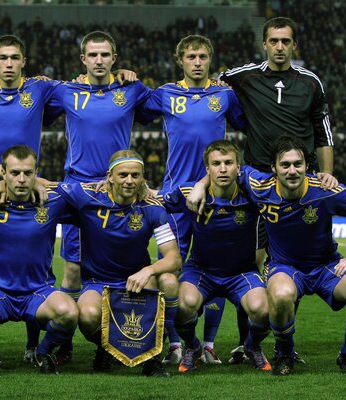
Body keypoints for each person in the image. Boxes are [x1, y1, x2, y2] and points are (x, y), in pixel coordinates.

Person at [193, 135, 346, 376]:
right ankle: (285, 354)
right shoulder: (260, 185)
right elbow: (224, 167)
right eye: (285, 165)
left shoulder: (325, 190)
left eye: (297, 164)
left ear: (307, 166)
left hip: (326, 266)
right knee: (281, 295)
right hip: (285, 266)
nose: (292, 170)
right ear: (273, 168)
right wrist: (199, 185)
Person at [219, 16, 336, 363]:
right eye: (274, 41)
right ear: (265, 44)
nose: (280, 47)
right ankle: (246, 342)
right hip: (257, 185)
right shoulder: (245, 75)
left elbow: (323, 132)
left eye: (286, 41)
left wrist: (327, 176)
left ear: (294, 45)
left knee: (291, 263)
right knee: (251, 261)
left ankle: (285, 342)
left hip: (300, 186)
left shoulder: (310, 82)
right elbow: (211, 79)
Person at [45, 31, 154, 363]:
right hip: (80, 192)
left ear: (114, 58)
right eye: (92, 55)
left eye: (105, 55)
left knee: (123, 269)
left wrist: (135, 78)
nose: (99, 60)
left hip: (121, 191)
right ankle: (63, 342)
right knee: (72, 273)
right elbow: (33, 96)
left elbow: (161, 106)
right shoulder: (66, 91)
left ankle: (115, 345)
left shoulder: (131, 89)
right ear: (83, 59)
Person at [139, 34, 246, 365]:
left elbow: (249, 123)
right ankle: (176, 342)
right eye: (191, 57)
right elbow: (129, 110)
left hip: (215, 196)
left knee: (215, 268)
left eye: (202, 56)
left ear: (211, 58)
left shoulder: (225, 95)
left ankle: (209, 344)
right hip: (173, 197)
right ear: (180, 60)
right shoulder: (165, 94)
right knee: (169, 270)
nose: (197, 62)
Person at [0, 35, 61, 365]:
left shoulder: (40, 89)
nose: (8, 64)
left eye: (14, 58)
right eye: (2, 58)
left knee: (33, 263)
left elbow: (81, 87)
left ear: (23, 61)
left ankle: (33, 343)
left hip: (28, 185)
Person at [56, 149, 181, 377]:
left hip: (136, 282)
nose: (129, 181)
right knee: (86, 315)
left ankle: (154, 356)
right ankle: (107, 349)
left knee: (169, 282)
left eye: (135, 175)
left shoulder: (152, 208)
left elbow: (174, 258)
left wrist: (148, 270)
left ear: (143, 177)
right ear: (110, 176)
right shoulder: (88, 197)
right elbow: (49, 187)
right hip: (98, 282)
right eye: (123, 175)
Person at [0, 145, 78, 375]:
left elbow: (93, 193)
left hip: (38, 292)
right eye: (14, 173)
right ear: (3, 173)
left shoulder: (54, 200)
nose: (22, 179)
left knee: (69, 313)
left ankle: (42, 353)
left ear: (37, 173)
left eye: (28, 173)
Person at [162, 140, 270, 373]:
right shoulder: (190, 193)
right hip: (201, 270)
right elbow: (155, 200)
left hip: (241, 272)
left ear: (238, 167)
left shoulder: (252, 195)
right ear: (207, 169)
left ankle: (251, 346)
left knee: (264, 309)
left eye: (228, 163)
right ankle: (193, 346)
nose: (223, 169)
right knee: (182, 305)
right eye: (216, 163)